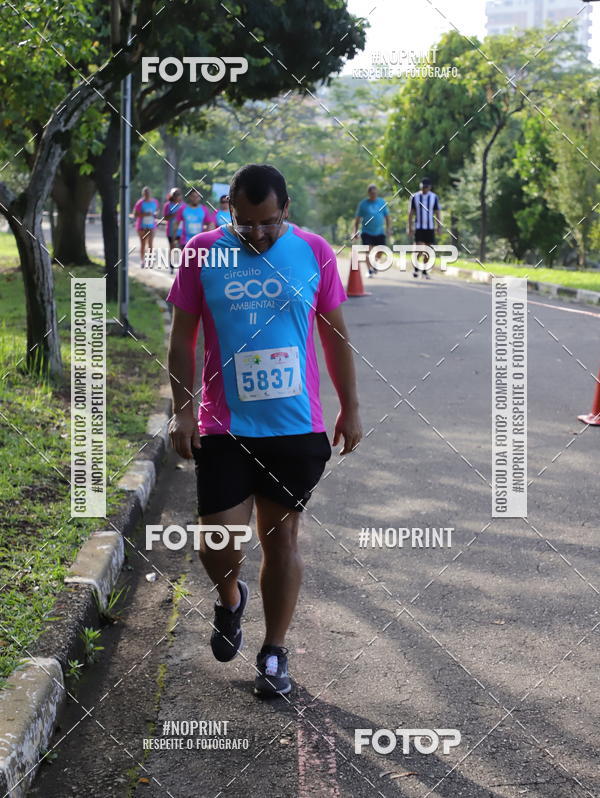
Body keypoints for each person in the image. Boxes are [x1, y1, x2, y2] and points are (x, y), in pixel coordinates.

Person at [167, 164, 362, 697]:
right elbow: (182, 338)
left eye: (267, 223)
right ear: (228, 208)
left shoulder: (315, 251)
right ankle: (230, 597)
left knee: (283, 539)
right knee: (218, 541)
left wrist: (350, 407)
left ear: (287, 209)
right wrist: (184, 411)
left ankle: (274, 652)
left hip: (295, 427)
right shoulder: (203, 251)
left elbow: (335, 336)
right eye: (244, 222)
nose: (255, 234)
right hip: (225, 425)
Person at [352, 183, 391, 278]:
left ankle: (375, 265)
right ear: (368, 193)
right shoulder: (363, 204)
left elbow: (387, 217)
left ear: (377, 192)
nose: (373, 194)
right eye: (371, 193)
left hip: (379, 231)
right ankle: (369, 270)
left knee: (380, 251)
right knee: (368, 251)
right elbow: (357, 219)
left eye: (375, 192)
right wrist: (355, 232)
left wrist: (388, 229)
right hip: (366, 232)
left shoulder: (382, 202)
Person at [407, 177, 442, 280]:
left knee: (428, 250)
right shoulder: (415, 196)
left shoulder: (434, 197)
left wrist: (439, 226)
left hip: (430, 227)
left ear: (430, 187)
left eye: (426, 187)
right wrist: (409, 227)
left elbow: (437, 212)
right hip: (419, 227)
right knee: (419, 248)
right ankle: (416, 268)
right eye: (422, 187)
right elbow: (411, 213)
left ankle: (425, 271)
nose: (424, 189)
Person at [133, 187, 159, 267]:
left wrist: (155, 213)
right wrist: (145, 214)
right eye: (145, 193)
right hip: (142, 226)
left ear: (150, 193)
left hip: (152, 226)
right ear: (143, 194)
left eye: (148, 193)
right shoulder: (140, 203)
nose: (147, 194)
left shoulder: (155, 202)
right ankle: (142, 261)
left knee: (150, 244)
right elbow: (135, 214)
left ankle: (150, 261)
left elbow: (157, 210)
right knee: (143, 244)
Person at [163, 188, 184, 274]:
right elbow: (165, 218)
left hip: (182, 231)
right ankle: (171, 266)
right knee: (172, 248)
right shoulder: (168, 205)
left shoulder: (183, 205)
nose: (177, 196)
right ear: (172, 196)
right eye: (175, 195)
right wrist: (174, 215)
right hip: (171, 231)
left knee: (182, 249)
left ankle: (181, 267)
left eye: (179, 194)